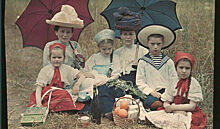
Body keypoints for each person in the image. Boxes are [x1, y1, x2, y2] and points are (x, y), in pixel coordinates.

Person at [145, 51, 207, 129]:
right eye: (181, 68)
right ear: (176, 68)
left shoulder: (193, 83)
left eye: (187, 68)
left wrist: (174, 108)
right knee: (152, 116)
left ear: (191, 69)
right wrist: (168, 107)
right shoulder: (173, 81)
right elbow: (167, 100)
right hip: (173, 109)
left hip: (188, 111)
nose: (184, 71)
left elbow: (192, 106)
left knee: (187, 121)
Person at [27, 43, 91, 112]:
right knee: (63, 95)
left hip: (62, 93)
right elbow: (39, 88)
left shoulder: (66, 68)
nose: (57, 60)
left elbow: (81, 75)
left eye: (59, 57)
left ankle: (62, 107)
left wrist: (77, 85)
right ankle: (55, 107)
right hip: (49, 94)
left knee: (71, 94)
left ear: (64, 58)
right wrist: (39, 104)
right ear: (49, 58)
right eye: (54, 57)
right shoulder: (45, 70)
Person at [136, 25, 178, 111]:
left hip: (166, 91)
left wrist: (167, 93)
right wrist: (151, 91)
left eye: (158, 44)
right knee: (154, 104)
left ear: (163, 44)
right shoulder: (143, 61)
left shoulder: (168, 61)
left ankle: (166, 106)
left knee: (175, 102)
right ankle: (161, 107)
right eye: (152, 44)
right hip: (150, 92)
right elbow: (140, 81)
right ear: (147, 43)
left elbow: (174, 79)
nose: (155, 47)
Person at [83, 29, 121, 116]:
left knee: (106, 90)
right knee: (93, 92)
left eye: (109, 49)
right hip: (95, 81)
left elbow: (116, 73)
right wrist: (89, 76)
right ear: (99, 48)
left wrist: (107, 80)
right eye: (104, 49)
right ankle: (98, 109)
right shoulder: (94, 58)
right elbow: (86, 70)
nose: (107, 51)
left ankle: (108, 111)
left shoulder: (114, 57)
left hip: (108, 82)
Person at [113, 7, 149, 86]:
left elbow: (147, 71)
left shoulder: (143, 51)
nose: (128, 37)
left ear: (135, 35)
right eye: (125, 34)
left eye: (131, 34)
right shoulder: (117, 53)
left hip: (138, 81)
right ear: (121, 36)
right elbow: (116, 71)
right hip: (121, 81)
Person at [43, 5, 85, 69]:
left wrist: (78, 58)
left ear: (71, 34)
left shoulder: (75, 46)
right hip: (55, 75)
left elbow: (79, 66)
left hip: (72, 75)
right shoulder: (50, 45)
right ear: (56, 32)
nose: (65, 35)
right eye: (62, 31)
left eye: (68, 32)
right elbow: (46, 65)